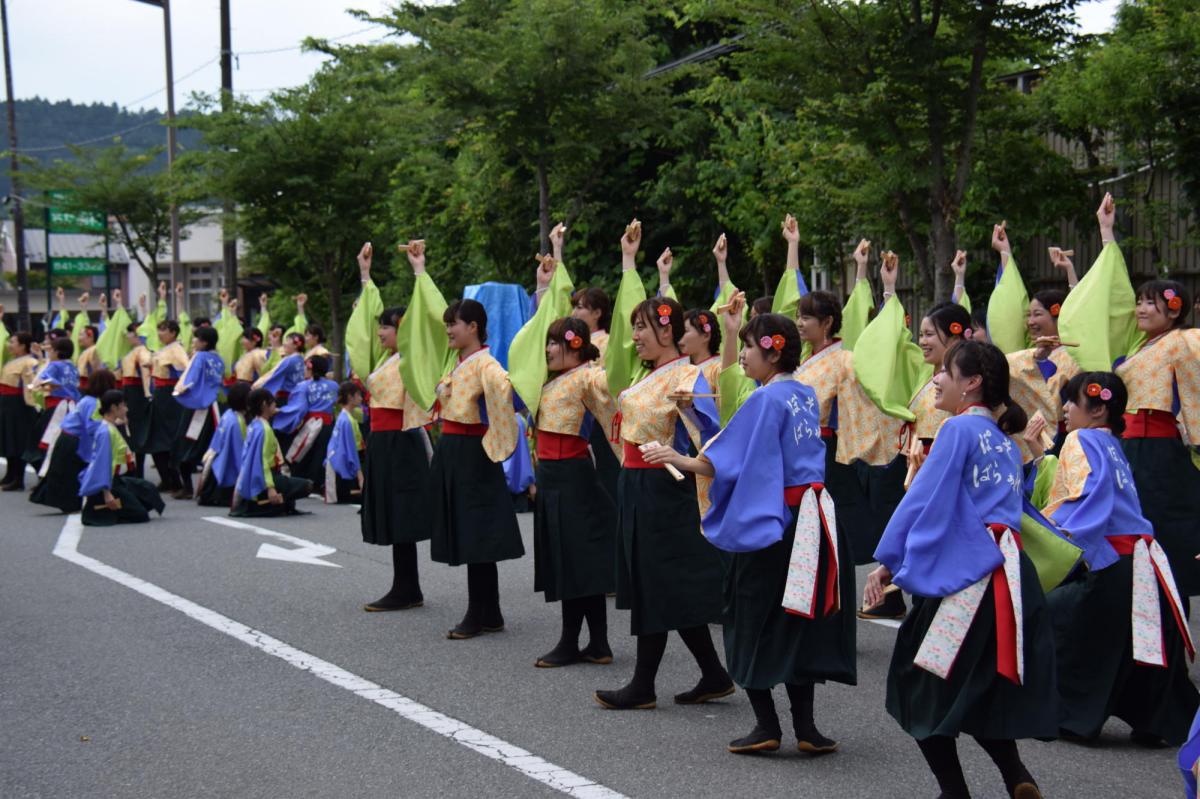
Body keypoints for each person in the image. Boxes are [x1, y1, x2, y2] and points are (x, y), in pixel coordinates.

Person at [644, 308, 854, 755]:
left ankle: (766, 725)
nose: (741, 356)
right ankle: (807, 728)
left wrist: (675, 457)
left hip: (775, 523)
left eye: (747, 346)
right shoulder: (804, 393)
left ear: (771, 351)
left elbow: (727, 460)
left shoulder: (765, 400)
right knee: (799, 615)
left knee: (749, 613)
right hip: (814, 520)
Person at [866, 340, 1056, 799]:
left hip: (968, 577)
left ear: (971, 383)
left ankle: (955, 792)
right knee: (976, 686)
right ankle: (1015, 776)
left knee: (920, 683)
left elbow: (924, 500)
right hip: (1009, 576)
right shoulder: (1006, 445)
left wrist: (887, 562)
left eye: (945, 372)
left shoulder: (956, 431)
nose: (936, 379)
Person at [594, 221, 731, 711]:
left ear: (667, 330)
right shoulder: (645, 375)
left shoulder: (690, 376)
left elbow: (713, 438)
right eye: (632, 326)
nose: (634, 335)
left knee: (658, 582)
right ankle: (714, 674)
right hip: (635, 485)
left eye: (643, 327)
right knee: (660, 582)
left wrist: (694, 466)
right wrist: (630, 262)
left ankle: (643, 684)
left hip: (666, 489)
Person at [1037, 371, 1197, 747]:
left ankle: (1069, 716)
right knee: (1143, 642)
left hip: (1113, 560)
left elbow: (1084, 498)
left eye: (1073, 401)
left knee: (1058, 620)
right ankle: (1157, 721)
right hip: (1146, 562)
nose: (1066, 408)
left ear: (1097, 409)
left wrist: (1051, 538)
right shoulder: (1113, 444)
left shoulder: (1079, 439)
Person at [429, 297, 524, 639]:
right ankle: (491, 610)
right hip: (455, 450)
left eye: (454, 323)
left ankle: (477, 612)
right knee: (474, 529)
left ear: (473, 327)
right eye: (447, 324)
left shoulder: (486, 364)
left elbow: (508, 387)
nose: (449, 330)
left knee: (475, 530)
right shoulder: (459, 361)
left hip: (473, 451)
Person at [350, 241, 435, 612]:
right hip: (383, 440)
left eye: (387, 326)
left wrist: (419, 268)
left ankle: (407, 588)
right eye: (381, 325)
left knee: (402, 513)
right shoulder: (383, 361)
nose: (381, 331)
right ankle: (406, 585)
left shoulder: (412, 361)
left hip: (403, 439)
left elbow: (428, 322)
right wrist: (365, 275)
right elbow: (361, 336)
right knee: (393, 512)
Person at [530, 316, 618, 668]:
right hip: (554, 476)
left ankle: (571, 642)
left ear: (576, 345)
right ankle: (598, 643)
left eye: (556, 343)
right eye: (548, 342)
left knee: (575, 560)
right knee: (580, 561)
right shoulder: (551, 380)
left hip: (572, 476)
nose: (549, 349)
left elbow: (611, 382)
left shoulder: (587, 375)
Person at [30, 368, 118, 513]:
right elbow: (92, 426)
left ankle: (67, 501)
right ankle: (69, 501)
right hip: (73, 439)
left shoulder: (88, 400)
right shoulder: (93, 403)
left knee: (65, 472)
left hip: (68, 437)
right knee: (70, 473)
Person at [78, 390, 165, 526]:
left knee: (148, 490)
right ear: (114, 408)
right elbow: (102, 464)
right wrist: (107, 493)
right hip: (108, 483)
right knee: (140, 514)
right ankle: (102, 507)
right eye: (123, 405)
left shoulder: (108, 426)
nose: (127, 409)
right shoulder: (105, 432)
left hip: (117, 479)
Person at [231, 388, 313, 516]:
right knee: (307, 486)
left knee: (289, 483)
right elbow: (262, 462)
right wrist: (270, 488)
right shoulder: (265, 429)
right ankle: (267, 501)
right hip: (264, 478)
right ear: (264, 404)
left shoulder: (254, 425)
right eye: (273, 402)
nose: (275, 404)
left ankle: (275, 502)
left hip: (251, 477)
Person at [171, 326, 225, 500]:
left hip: (198, 407)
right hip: (214, 406)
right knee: (211, 446)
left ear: (205, 342)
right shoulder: (218, 359)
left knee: (185, 444)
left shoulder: (199, 356)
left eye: (196, 339)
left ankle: (187, 487)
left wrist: (178, 392)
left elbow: (189, 379)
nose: (193, 342)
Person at [272, 354, 338, 491]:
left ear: (310, 369)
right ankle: (321, 482)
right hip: (329, 425)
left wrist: (280, 412)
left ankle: (306, 482)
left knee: (303, 453)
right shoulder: (334, 386)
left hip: (311, 425)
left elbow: (299, 408)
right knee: (323, 453)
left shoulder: (303, 386)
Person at [142, 319, 190, 492]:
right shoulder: (166, 349)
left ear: (173, 332)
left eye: (163, 330)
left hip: (169, 398)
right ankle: (168, 478)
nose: (160, 333)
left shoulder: (176, 349)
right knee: (158, 439)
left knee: (166, 439)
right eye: (159, 329)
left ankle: (174, 479)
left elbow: (185, 371)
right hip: (160, 396)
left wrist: (179, 392)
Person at [24, 336, 81, 473]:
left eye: (51, 351)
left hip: (56, 407)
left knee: (43, 441)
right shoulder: (72, 366)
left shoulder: (54, 365)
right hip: (73, 407)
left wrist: (34, 386)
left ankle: (46, 474)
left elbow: (43, 380)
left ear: (56, 352)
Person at [198, 381, 250, 507]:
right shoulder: (237, 423)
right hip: (227, 472)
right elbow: (239, 454)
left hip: (214, 467)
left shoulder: (228, 414)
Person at [0, 331, 39, 490]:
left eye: (13, 342)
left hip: (19, 406)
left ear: (23, 346)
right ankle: (11, 473)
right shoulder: (11, 361)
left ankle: (18, 477)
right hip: (7, 404)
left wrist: (33, 405)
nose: (10, 345)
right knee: (9, 440)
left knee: (19, 441)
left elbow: (31, 385)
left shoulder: (29, 362)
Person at [120, 320, 153, 478]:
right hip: (129, 392)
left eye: (131, 333)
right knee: (131, 431)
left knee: (135, 431)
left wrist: (148, 394)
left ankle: (137, 470)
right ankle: (134, 468)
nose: (128, 336)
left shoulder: (142, 352)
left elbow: (146, 376)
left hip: (137, 394)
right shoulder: (134, 351)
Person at [324, 380, 366, 504]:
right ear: (350, 397)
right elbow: (351, 451)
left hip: (336, 465)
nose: (361, 398)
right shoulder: (347, 421)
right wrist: (360, 477)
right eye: (358, 395)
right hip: (341, 470)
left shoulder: (343, 417)